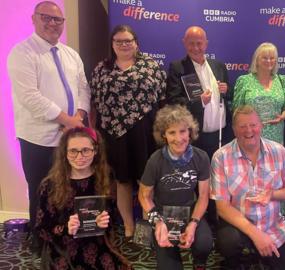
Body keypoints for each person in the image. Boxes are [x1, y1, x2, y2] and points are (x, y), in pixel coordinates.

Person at [7, 1, 90, 251]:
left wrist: (79, 116)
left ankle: (65, 234)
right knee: (40, 190)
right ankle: (40, 240)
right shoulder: (22, 53)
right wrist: (68, 120)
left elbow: (83, 87)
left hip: (70, 138)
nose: (53, 23)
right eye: (46, 17)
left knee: (67, 190)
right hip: (38, 139)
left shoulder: (70, 54)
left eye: (58, 20)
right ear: (34, 19)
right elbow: (30, 97)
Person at [90, 24, 167, 239]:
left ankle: (147, 227)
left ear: (136, 43)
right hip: (114, 134)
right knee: (122, 181)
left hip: (145, 132)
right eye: (118, 41)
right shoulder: (101, 69)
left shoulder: (151, 66)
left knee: (147, 182)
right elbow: (95, 102)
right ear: (112, 44)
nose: (124, 45)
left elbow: (162, 100)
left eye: (128, 41)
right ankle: (128, 225)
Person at [210, 105, 285, 270]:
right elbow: (222, 208)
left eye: (253, 125)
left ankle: (259, 256)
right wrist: (256, 234)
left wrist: (273, 194)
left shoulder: (279, 152)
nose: (248, 130)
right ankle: (237, 260)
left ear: (261, 125)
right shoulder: (221, 157)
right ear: (234, 129)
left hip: (273, 227)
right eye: (242, 126)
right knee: (229, 241)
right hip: (239, 227)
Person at [35, 127, 131, 269]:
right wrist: (66, 228)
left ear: (95, 151)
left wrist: (105, 221)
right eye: (73, 151)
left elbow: (113, 218)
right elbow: (42, 229)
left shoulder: (106, 177)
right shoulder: (50, 185)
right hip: (63, 247)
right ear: (65, 153)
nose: (80, 157)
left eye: (86, 150)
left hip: (97, 244)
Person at [138, 105, 213, 270]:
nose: (178, 138)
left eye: (183, 131)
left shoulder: (201, 157)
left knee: (204, 243)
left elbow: (203, 196)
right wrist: (157, 222)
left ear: (190, 132)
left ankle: (199, 263)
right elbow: (144, 196)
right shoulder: (155, 160)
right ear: (163, 135)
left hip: (190, 212)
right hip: (163, 217)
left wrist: (193, 223)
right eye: (172, 132)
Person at [166, 26, 232, 159]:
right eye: (191, 43)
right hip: (196, 135)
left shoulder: (219, 66)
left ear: (206, 43)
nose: (195, 48)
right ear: (184, 43)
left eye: (199, 43)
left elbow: (228, 97)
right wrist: (199, 102)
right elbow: (173, 101)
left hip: (221, 134)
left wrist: (227, 90)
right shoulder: (177, 67)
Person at [232, 42, 285, 144]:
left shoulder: (282, 80)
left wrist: (282, 117)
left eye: (272, 58)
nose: (269, 61)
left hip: (275, 136)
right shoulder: (244, 81)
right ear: (257, 60)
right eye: (264, 58)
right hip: (250, 134)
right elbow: (237, 110)